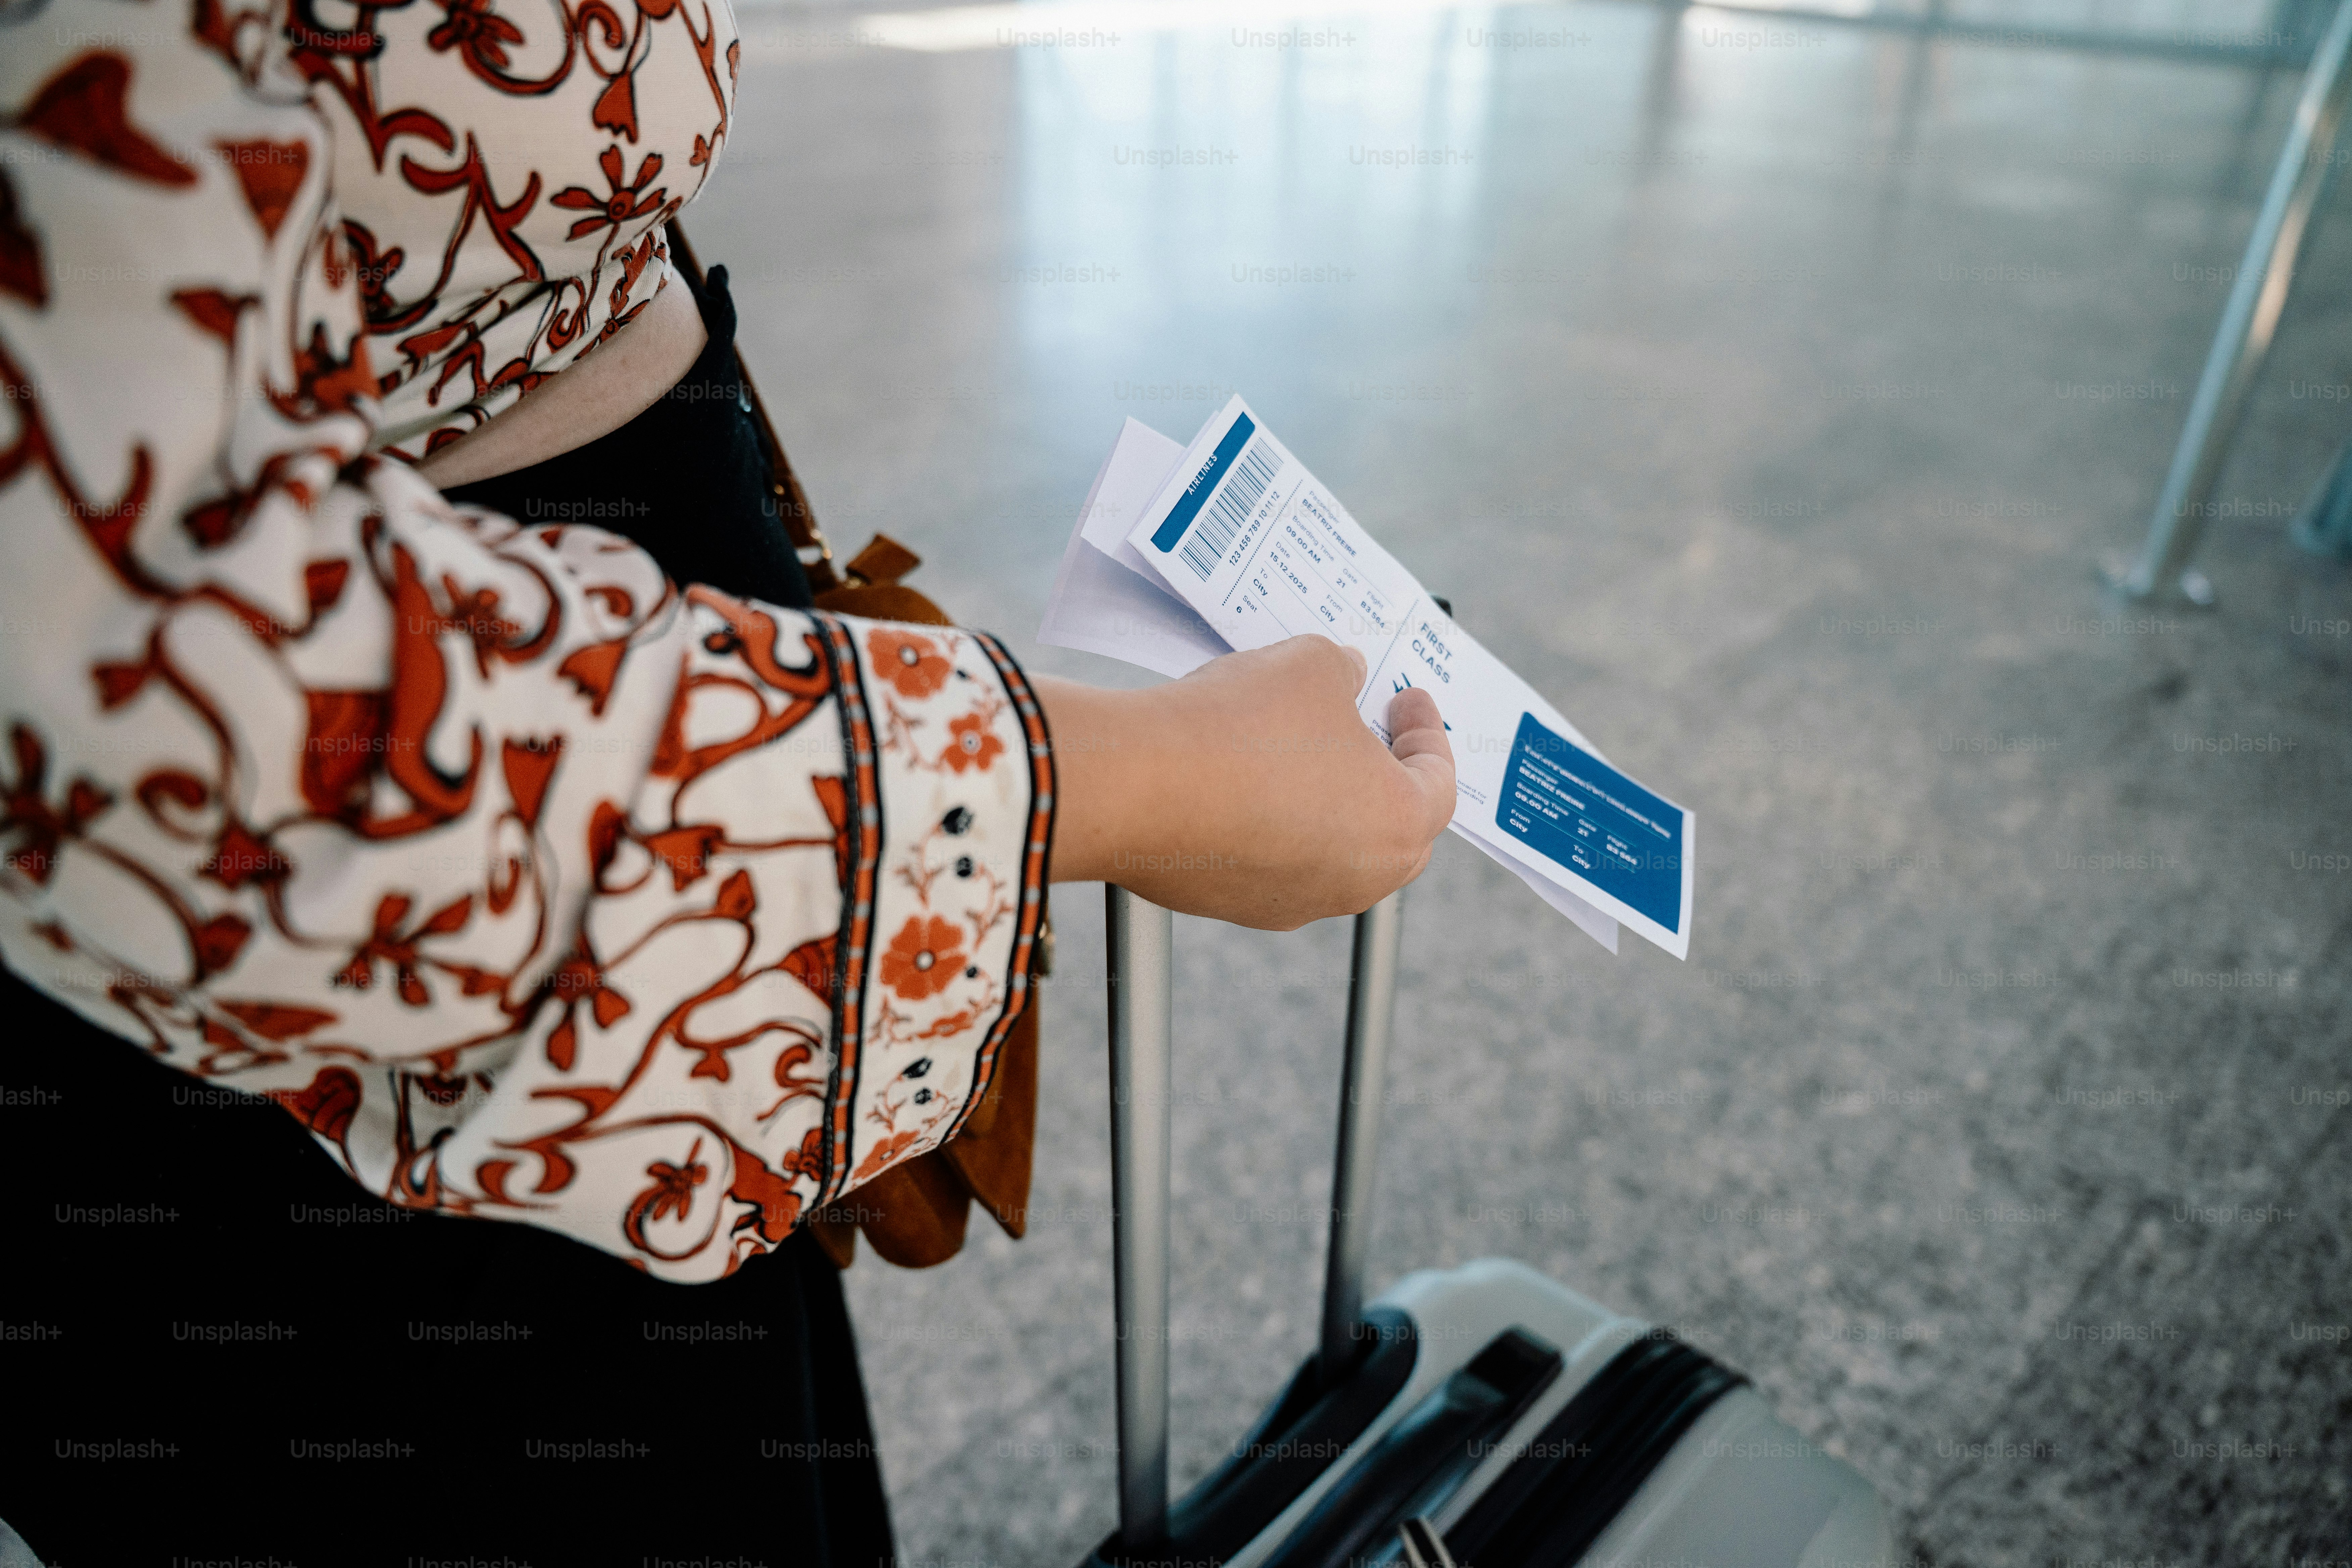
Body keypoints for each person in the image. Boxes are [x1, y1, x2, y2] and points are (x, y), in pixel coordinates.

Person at [0, 2, 1454, 1563]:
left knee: (728, 1419)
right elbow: (139, 664)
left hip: (655, 700)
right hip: (373, 935)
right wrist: (1132, 784)